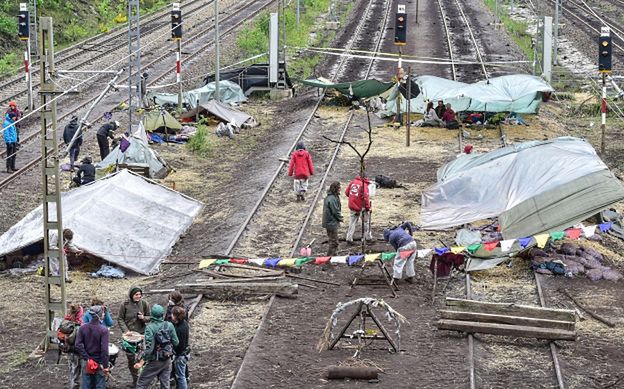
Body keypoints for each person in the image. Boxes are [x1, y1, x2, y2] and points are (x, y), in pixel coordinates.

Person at [136, 304, 179, 389]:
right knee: (165, 385)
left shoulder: (149, 328)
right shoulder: (169, 325)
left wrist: (142, 360)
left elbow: (149, 349)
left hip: (154, 360)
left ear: (152, 315)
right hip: (167, 358)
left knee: (141, 384)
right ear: (162, 314)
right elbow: (176, 342)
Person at [118, 286, 151, 387]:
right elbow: (120, 319)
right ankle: (135, 379)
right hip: (129, 337)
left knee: (143, 358)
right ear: (131, 295)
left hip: (141, 335)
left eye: (140, 294)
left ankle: (143, 379)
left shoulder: (144, 303)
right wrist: (126, 331)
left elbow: (150, 317)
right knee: (131, 359)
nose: (138, 296)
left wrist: (143, 318)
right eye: (136, 294)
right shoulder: (124, 305)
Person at [75, 305, 109, 389]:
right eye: (103, 313)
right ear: (100, 315)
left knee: (86, 385)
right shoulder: (103, 330)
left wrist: (87, 358)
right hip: (98, 362)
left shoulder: (83, 328)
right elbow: (104, 350)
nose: (104, 314)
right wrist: (105, 366)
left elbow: (78, 345)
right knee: (100, 385)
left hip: (86, 362)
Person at [345, 174, 373, 243]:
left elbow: (346, 192)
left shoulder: (353, 182)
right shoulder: (364, 185)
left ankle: (349, 237)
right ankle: (368, 237)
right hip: (361, 207)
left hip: (352, 206)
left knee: (352, 222)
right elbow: (366, 197)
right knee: (366, 222)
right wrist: (368, 207)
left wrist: (353, 198)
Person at [64, 304, 84, 389]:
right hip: (78, 354)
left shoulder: (66, 322)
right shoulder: (80, 326)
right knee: (78, 377)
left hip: (69, 353)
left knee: (72, 373)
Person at [322, 181, 343, 256]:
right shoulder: (332, 199)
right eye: (339, 188)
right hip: (331, 222)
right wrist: (341, 218)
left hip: (329, 222)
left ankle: (333, 255)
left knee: (332, 240)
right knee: (334, 242)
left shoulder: (331, 197)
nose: (340, 189)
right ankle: (330, 257)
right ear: (336, 189)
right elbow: (335, 211)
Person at [171, 306, 190, 389]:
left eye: (172, 314)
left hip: (180, 356)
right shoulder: (184, 323)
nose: (171, 315)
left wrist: (174, 353)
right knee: (181, 375)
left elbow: (180, 346)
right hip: (185, 353)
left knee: (180, 377)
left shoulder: (180, 329)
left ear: (176, 316)